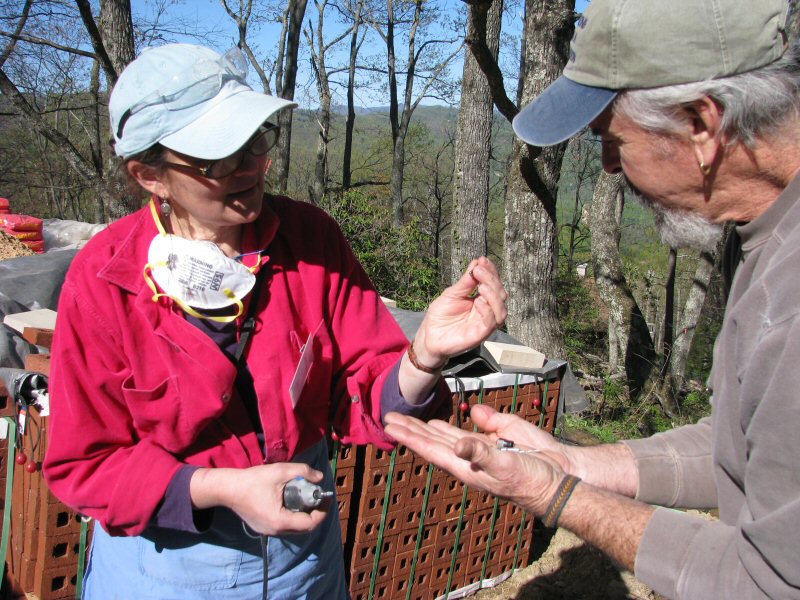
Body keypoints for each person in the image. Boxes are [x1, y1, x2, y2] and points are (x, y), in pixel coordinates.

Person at [41, 43, 507, 599]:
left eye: (255, 141)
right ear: (150, 175)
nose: (250, 167)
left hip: (302, 562)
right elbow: (85, 463)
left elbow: (359, 392)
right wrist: (219, 487)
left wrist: (424, 356)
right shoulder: (103, 281)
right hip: (168, 569)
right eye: (217, 159)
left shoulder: (309, 242)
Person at [385, 0, 800, 598]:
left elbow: (768, 582)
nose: (608, 167)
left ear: (702, 125)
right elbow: (740, 445)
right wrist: (577, 465)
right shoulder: (761, 231)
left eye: (612, 139)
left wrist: (554, 496)